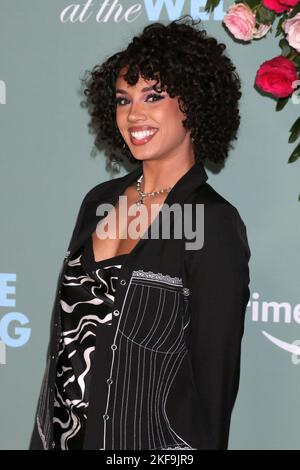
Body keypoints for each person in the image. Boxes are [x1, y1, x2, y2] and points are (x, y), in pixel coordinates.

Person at [29, 15, 251, 450]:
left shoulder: (212, 222)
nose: (134, 115)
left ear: (192, 102)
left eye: (153, 96)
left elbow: (214, 386)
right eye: (123, 99)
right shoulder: (99, 201)